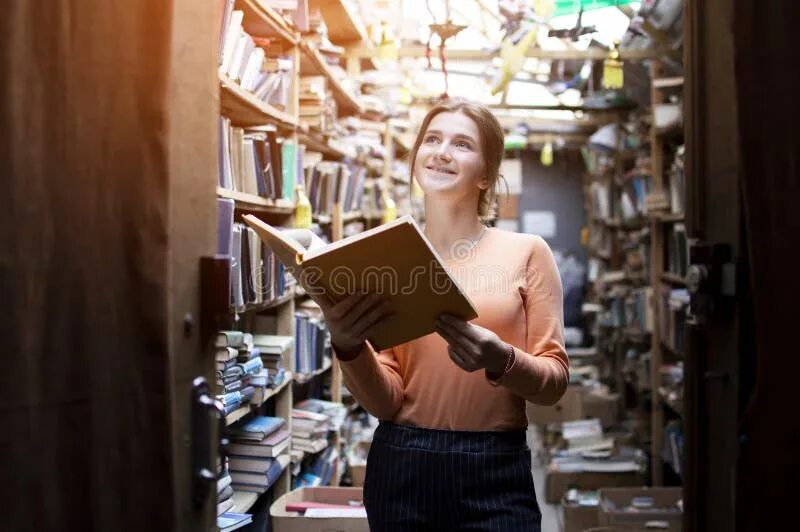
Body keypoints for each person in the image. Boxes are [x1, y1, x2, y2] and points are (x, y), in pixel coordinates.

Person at [314, 98, 569, 531]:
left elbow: (553, 384)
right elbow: (387, 401)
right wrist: (348, 344)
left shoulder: (527, 252)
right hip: (402, 463)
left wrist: (502, 360)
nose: (442, 151)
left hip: (496, 467)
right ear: (415, 160)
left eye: (462, 144)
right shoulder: (388, 257)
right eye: (432, 139)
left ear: (486, 175)